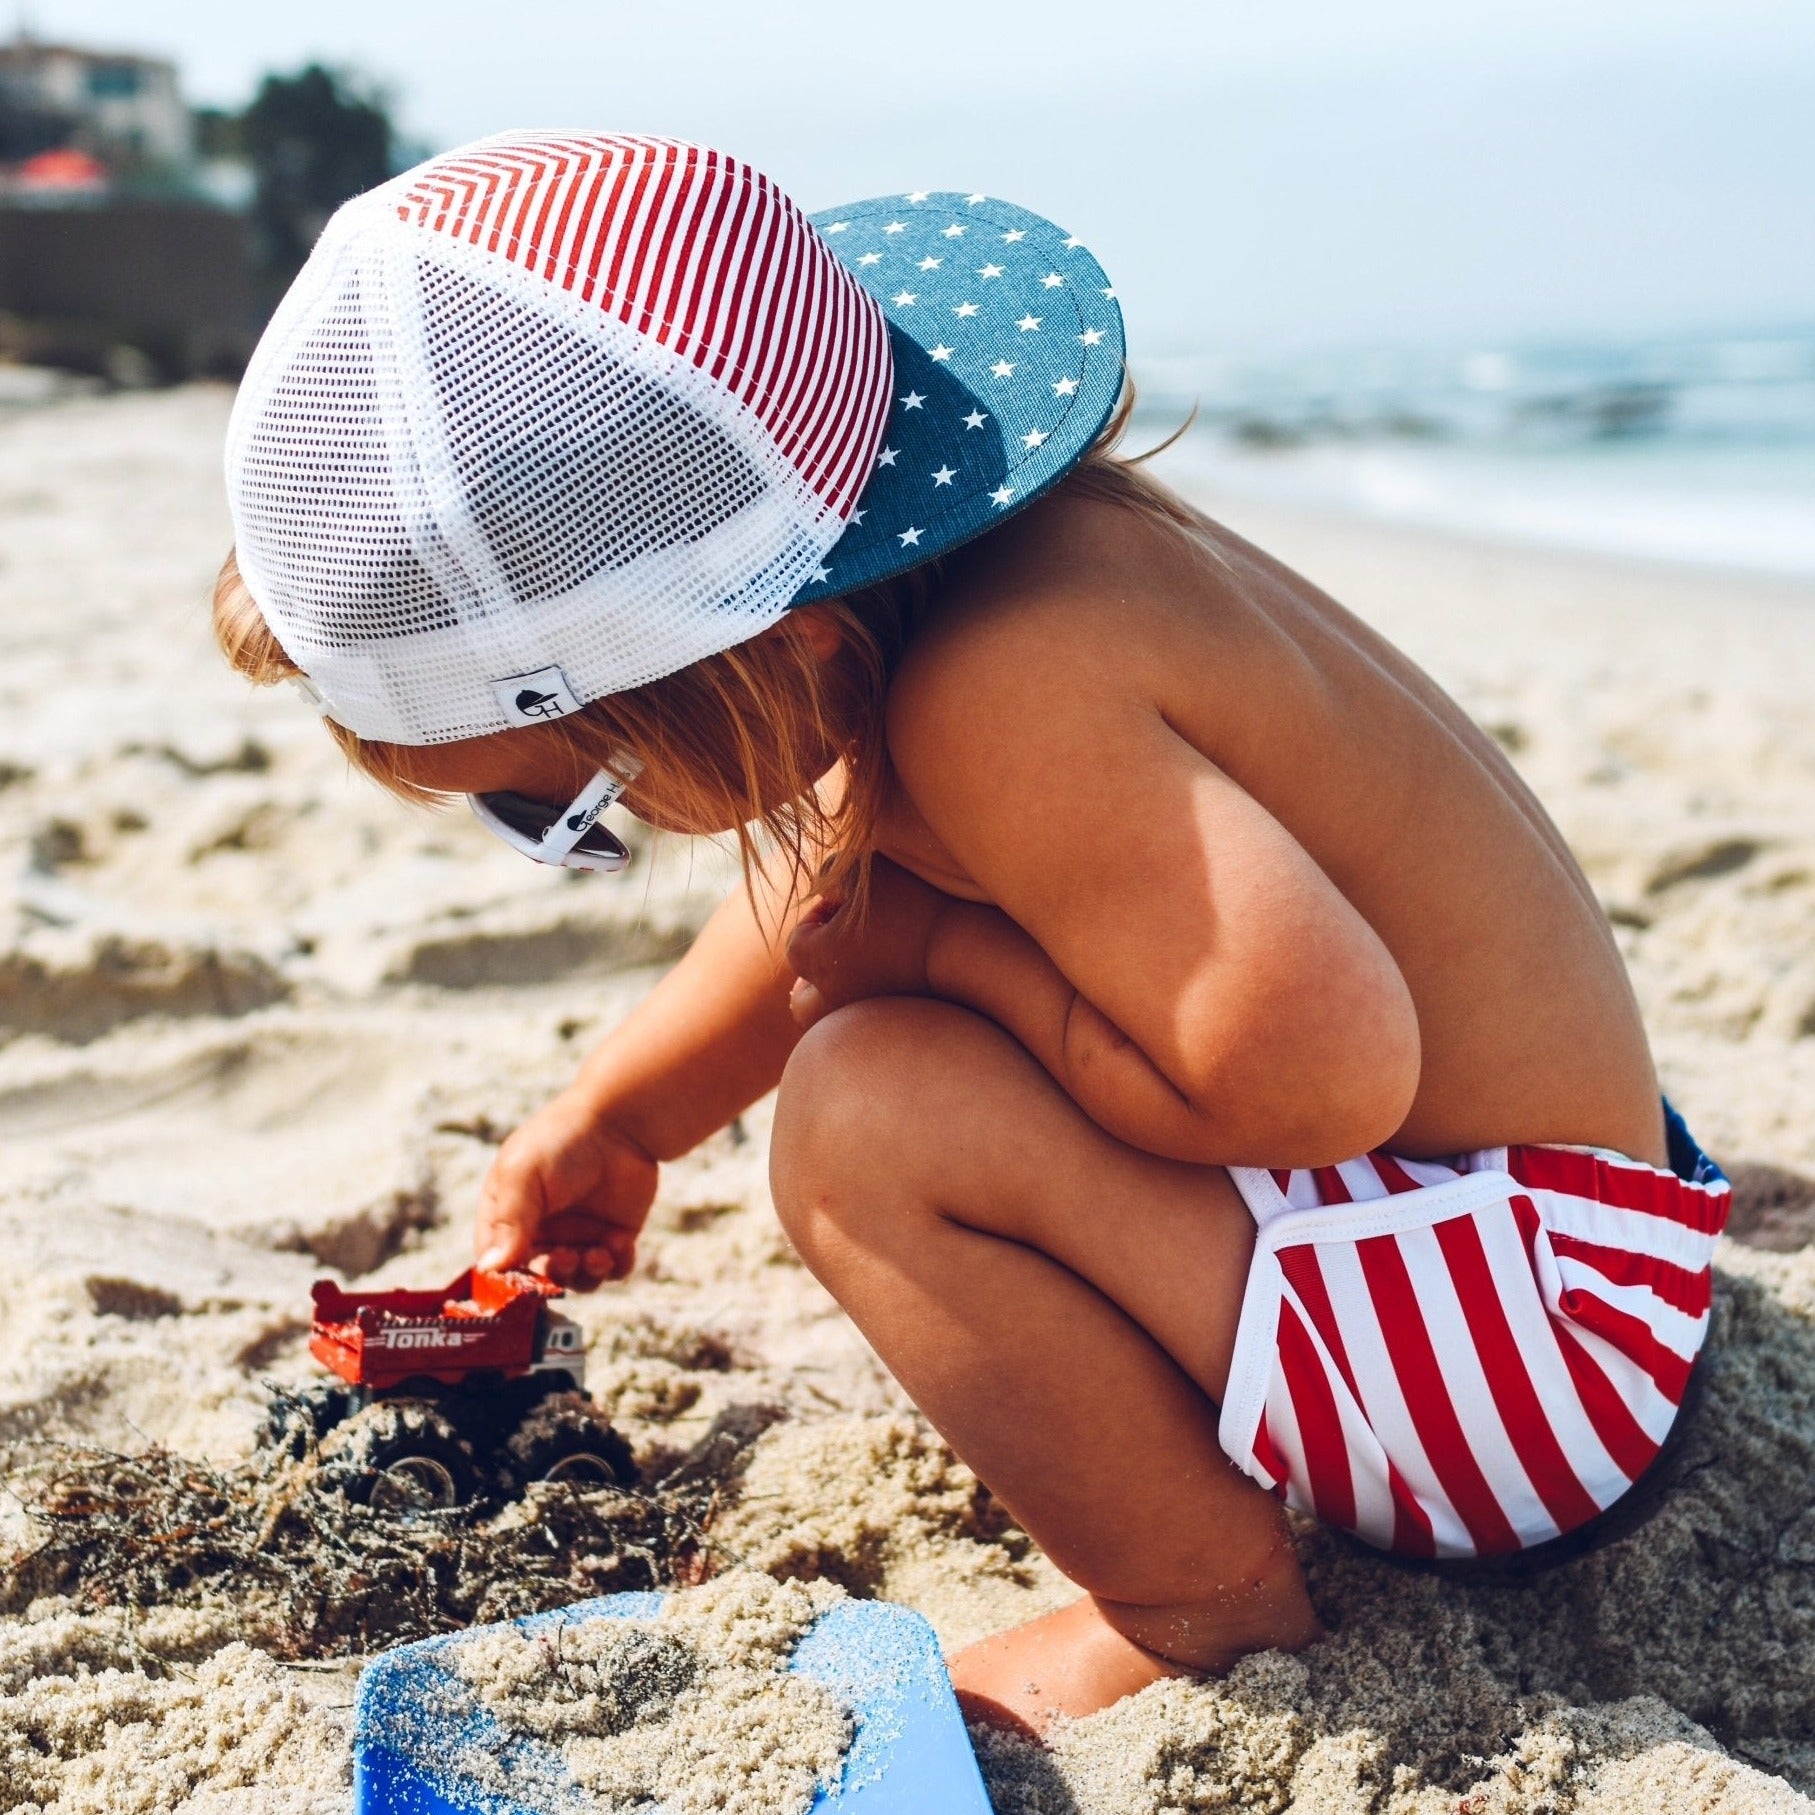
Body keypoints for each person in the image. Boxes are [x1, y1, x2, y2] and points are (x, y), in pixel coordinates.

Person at [213, 131, 1730, 1737]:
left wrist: (943, 962)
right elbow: (839, 892)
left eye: (560, 809)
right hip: (1575, 1246)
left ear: (754, 660)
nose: (570, 843)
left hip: (1538, 1376)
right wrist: (624, 1112)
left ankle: (1190, 1604)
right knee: (916, 1008)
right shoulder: (969, 588)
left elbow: (1316, 1072)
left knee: (871, 1111)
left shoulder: (1009, 697)